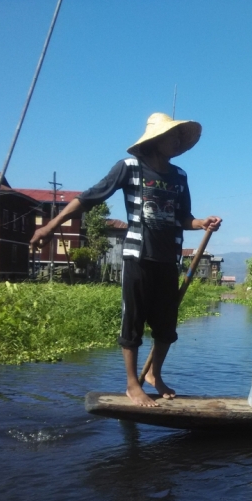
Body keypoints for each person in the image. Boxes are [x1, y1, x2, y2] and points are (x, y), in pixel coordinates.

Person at [30, 113, 222, 407]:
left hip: (168, 259)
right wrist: (50, 226)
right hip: (138, 256)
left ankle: (154, 376)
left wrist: (201, 223)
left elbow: (182, 217)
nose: (177, 141)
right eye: (173, 136)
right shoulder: (130, 168)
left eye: (179, 137)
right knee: (132, 321)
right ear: (156, 140)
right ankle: (133, 384)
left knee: (166, 326)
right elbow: (90, 197)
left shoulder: (179, 176)